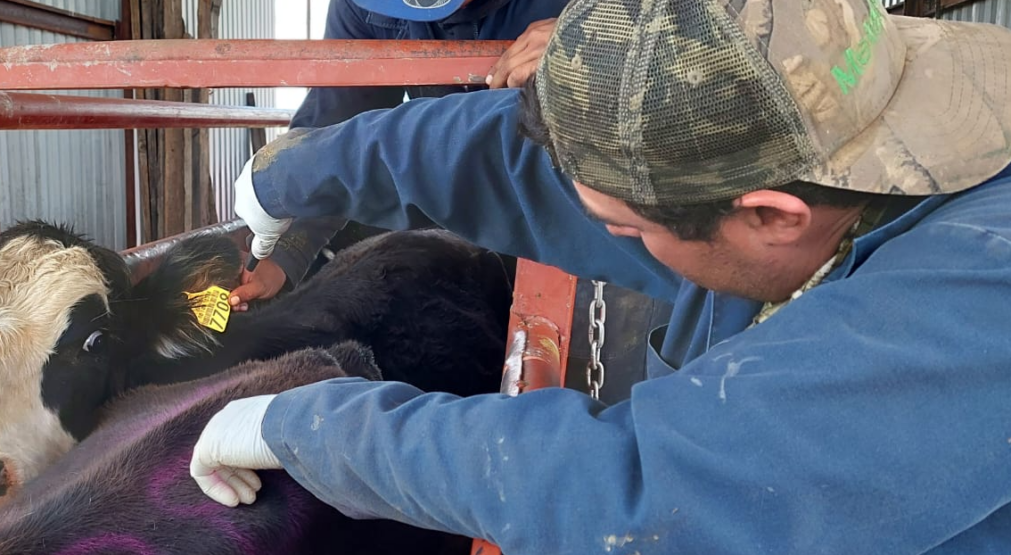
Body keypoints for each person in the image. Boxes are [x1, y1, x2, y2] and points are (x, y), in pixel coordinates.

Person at [193, 0, 1011, 552]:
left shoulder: (974, 308)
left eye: (625, 228)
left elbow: (652, 492)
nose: (609, 236)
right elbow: (521, 170)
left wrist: (312, 429)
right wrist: (298, 176)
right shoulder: (830, 131)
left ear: (768, 216)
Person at [228, 0, 568, 310]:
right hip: (479, 209)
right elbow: (335, 124)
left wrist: (591, 32)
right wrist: (281, 253)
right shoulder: (368, 7)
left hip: (580, 194)